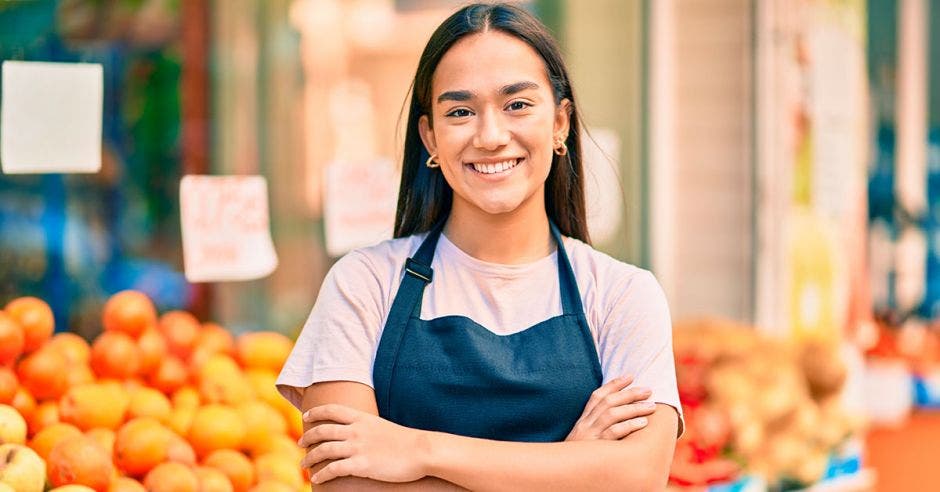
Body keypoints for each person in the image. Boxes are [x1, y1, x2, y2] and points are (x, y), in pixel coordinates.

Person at [276, 3, 684, 490]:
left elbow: (638, 476)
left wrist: (420, 450)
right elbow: (346, 484)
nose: (490, 136)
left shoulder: (622, 295)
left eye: (517, 105)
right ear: (430, 136)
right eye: (461, 111)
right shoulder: (363, 283)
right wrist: (570, 463)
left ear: (560, 123)